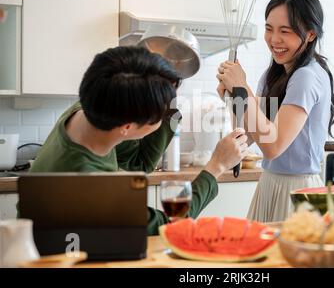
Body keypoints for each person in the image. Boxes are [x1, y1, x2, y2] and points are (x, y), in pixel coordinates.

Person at [30, 46, 249, 234]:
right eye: (160, 115)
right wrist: (217, 165)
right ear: (127, 127)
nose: (167, 113)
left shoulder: (88, 112)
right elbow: (169, 223)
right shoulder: (93, 187)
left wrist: (155, 76)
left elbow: (139, 163)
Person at [217, 0, 334, 222]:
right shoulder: (273, 75)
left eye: (285, 31)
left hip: (299, 192)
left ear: (311, 35)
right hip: (269, 183)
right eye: (269, 29)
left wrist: (243, 87)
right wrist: (233, 96)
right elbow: (248, 137)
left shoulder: (307, 76)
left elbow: (273, 145)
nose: (274, 40)